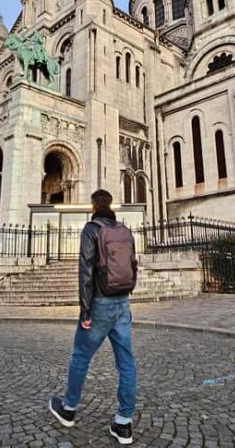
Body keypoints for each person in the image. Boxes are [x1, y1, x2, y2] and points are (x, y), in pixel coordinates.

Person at [49, 189, 138, 445]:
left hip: (99, 304)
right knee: (127, 364)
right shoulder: (124, 229)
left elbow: (85, 271)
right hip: (123, 303)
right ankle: (124, 423)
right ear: (110, 206)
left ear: (93, 206)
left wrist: (85, 310)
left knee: (80, 356)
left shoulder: (91, 229)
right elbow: (133, 264)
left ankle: (68, 408)